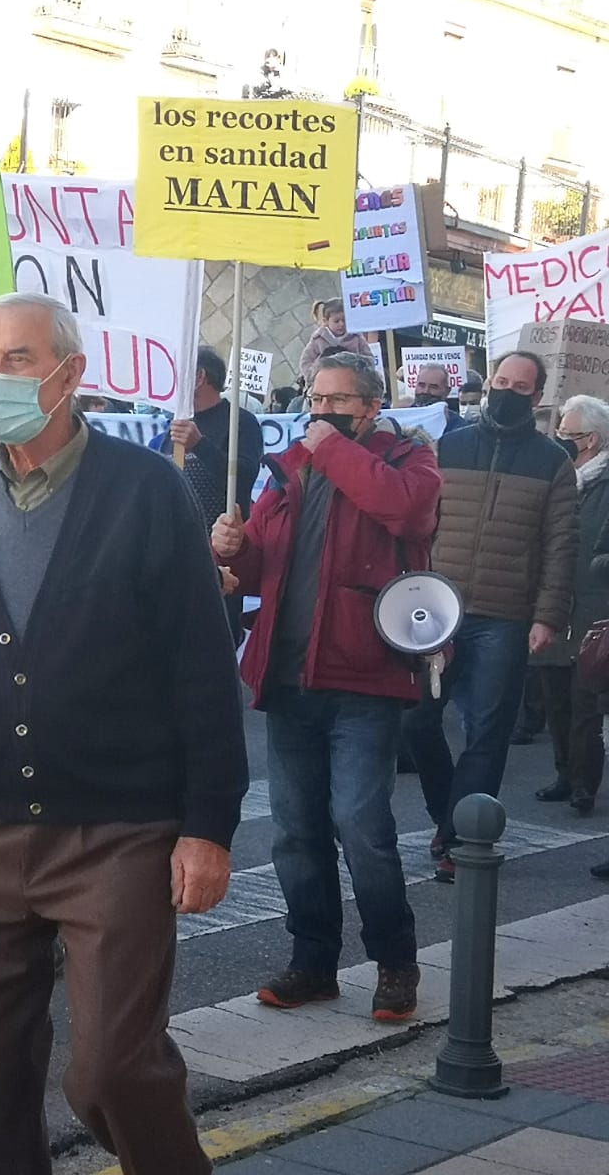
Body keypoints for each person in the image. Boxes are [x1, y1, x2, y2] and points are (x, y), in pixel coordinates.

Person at [0, 292, 248, 1175]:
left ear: (69, 374)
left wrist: (208, 824)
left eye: (15, 359)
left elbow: (201, 670)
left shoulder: (146, 489)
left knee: (113, 1072)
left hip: (115, 833)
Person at [213, 352, 438, 1021]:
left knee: (361, 826)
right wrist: (233, 548)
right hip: (288, 675)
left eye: (339, 400)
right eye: (316, 397)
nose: (322, 410)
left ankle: (395, 963)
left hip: (363, 676)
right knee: (295, 832)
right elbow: (260, 563)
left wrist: (332, 448)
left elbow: (404, 514)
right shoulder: (293, 467)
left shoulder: (408, 462)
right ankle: (312, 962)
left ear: (372, 406)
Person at [403, 351, 577, 881]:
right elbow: (420, 527)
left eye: (520, 385)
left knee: (488, 731)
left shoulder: (554, 463)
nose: (507, 390)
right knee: (415, 722)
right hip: (439, 611)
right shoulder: (449, 448)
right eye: (501, 380)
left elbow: (561, 545)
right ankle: (447, 816)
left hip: (506, 618)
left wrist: (547, 616)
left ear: (537, 396)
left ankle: (459, 839)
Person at [149, 345, 263, 641]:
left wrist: (201, 446)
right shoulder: (171, 427)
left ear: (200, 376)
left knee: (217, 639)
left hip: (221, 553)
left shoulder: (240, 422)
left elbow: (244, 480)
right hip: (173, 552)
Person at [530, 395, 609, 815]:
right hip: (555, 604)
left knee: (586, 703)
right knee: (555, 696)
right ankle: (564, 773)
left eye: (566, 434)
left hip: (596, 609)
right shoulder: (556, 480)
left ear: (591, 440)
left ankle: (584, 783)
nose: (558, 440)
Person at [298, 299, 371, 386]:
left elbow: (369, 358)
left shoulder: (356, 337)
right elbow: (306, 361)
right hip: (325, 382)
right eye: (336, 321)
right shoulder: (318, 339)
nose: (341, 324)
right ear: (326, 321)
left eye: (344, 320)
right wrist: (313, 377)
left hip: (351, 381)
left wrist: (361, 373)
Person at [410, 363, 469, 434]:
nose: (426, 391)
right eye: (421, 385)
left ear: (447, 391)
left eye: (433, 387)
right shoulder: (403, 418)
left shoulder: (458, 426)